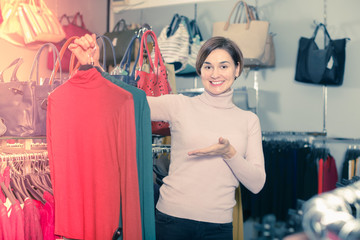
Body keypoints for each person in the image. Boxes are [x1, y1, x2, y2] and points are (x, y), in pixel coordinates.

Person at [69, 33, 266, 240]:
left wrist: (229, 153)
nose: (215, 74)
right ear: (200, 70)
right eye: (208, 66)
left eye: (223, 66)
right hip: (172, 222)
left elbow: (257, 183)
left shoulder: (248, 120)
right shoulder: (179, 105)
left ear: (237, 68)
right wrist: (94, 65)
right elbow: (127, 99)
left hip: (218, 228)